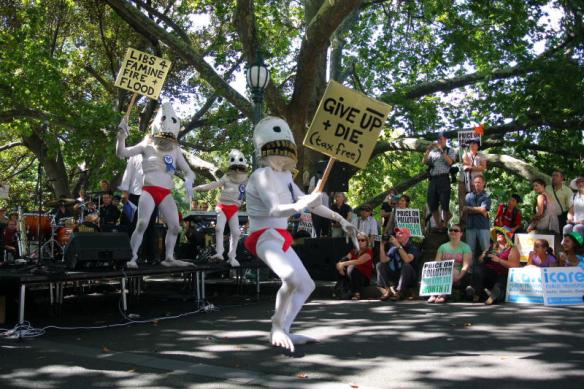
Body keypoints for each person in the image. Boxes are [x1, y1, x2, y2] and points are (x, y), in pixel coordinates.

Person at [244, 116, 357, 352]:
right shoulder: (260, 175)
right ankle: (276, 325)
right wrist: (303, 203)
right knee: (291, 278)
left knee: (306, 285)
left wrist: (341, 219)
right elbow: (276, 208)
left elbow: (312, 204)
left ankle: (285, 328)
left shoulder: (286, 177)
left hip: (281, 238)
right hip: (263, 237)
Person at [117, 102, 200, 269]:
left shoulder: (175, 150)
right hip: (148, 190)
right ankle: (132, 257)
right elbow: (122, 153)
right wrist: (121, 137)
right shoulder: (146, 146)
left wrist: (189, 180)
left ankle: (169, 257)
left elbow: (189, 171)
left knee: (175, 226)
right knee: (142, 224)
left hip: (166, 193)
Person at [194, 149, 248, 267]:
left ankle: (232, 256)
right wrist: (199, 187)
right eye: (235, 168)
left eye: (240, 168)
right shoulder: (226, 177)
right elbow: (214, 185)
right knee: (219, 228)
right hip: (222, 206)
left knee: (236, 232)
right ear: (231, 168)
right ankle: (219, 253)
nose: (237, 171)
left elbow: (254, 191)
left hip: (234, 208)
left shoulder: (246, 180)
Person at [119, 154, 158, 263]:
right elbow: (128, 173)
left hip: (152, 194)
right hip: (136, 194)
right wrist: (125, 192)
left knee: (150, 225)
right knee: (134, 225)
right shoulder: (135, 156)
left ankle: (150, 256)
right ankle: (132, 255)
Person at [429, 224, 472, 303]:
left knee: (452, 271)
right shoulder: (442, 247)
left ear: (461, 234)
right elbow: (437, 262)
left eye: (456, 230)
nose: (453, 232)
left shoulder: (466, 247)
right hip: (444, 271)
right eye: (451, 230)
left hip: (459, 271)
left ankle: (442, 294)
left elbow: (466, 265)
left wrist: (459, 276)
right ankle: (433, 294)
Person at [423, 131, 457, 231]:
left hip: (444, 178)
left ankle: (445, 224)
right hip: (433, 179)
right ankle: (438, 224)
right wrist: (429, 149)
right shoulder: (433, 152)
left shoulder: (450, 150)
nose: (439, 141)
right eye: (438, 139)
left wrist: (441, 150)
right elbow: (424, 161)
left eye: (441, 139)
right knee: (431, 203)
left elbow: (450, 162)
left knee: (444, 203)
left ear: (446, 140)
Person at [477, 226, 520, 305]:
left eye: (501, 233)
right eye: (497, 233)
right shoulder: (492, 246)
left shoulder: (512, 249)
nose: (498, 234)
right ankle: (481, 292)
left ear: (507, 236)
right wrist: (483, 255)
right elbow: (479, 261)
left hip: (503, 275)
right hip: (489, 275)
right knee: (479, 269)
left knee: (500, 283)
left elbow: (515, 266)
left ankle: (491, 295)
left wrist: (499, 260)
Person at [376, 227, 420, 301]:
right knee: (380, 265)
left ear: (407, 235)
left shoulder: (413, 247)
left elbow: (407, 260)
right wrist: (382, 245)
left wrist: (398, 245)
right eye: (396, 233)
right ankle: (387, 290)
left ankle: (399, 292)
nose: (397, 235)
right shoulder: (394, 248)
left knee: (406, 265)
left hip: (410, 277)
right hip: (397, 276)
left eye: (400, 233)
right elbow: (383, 260)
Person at [463, 175, 492, 278]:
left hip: (483, 227)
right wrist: (478, 210)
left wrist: (470, 209)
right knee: (470, 250)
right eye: (475, 182)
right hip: (470, 226)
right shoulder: (468, 196)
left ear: (484, 183)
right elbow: (465, 210)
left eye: (479, 182)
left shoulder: (487, 196)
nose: (477, 184)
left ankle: (489, 270)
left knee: (486, 249)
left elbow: (483, 210)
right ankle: (469, 272)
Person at [336, 232, 374, 301]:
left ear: (367, 242)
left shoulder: (369, 251)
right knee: (343, 266)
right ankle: (341, 289)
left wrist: (343, 264)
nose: (360, 242)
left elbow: (358, 261)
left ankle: (357, 294)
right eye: (358, 240)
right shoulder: (354, 251)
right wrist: (339, 265)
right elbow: (344, 259)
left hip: (364, 278)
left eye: (362, 240)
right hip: (351, 275)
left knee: (353, 268)